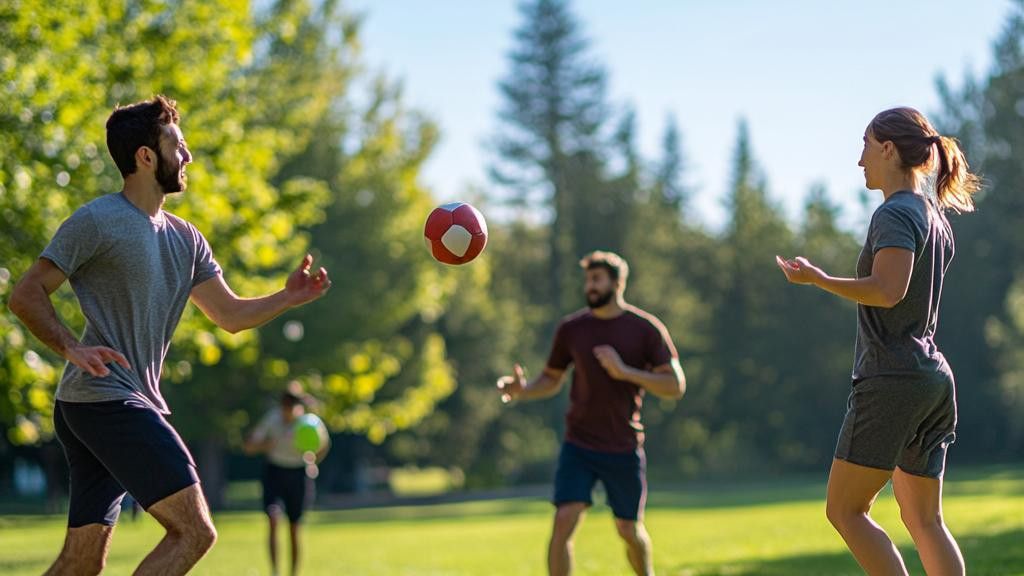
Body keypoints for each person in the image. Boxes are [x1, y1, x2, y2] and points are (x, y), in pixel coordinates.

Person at [8, 95, 332, 575]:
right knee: (195, 531)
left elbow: (230, 314)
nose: (187, 157)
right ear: (145, 156)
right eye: (177, 146)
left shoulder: (186, 238)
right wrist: (71, 347)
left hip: (104, 404)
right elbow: (26, 294)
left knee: (81, 563)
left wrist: (287, 297)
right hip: (106, 401)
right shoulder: (97, 220)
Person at [776, 106, 981, 576]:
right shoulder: (933, 216)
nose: (860, 160)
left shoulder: (894, 214)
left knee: (845, 510)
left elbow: (889, 290)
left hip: (892, 379)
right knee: (924, 519)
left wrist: (819, 279)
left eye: (865, 146)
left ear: (888, 149)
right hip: (931, 381)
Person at [497, 251, 685, 576]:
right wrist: (522, 390)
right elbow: (552, 378)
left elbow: (675, 385)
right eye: (587, 280)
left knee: (629, 530)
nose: (590, 286)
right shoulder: (572, 329)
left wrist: (626, 372)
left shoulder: (644, 329)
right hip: (579, 444)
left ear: (618, 283)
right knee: (564, 519)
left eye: (597, 279)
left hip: (623, 445)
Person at [244, 383, 331, 576]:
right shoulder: (272, 420)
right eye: (284, 409)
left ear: (297, 408)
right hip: (274, 472)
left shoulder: (309, 423)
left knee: (294, 527)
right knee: (273, 519)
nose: (287, 413)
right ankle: (275, 571)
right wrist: (265, 445)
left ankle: (293, 573)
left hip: (298, 474)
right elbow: (249, 446)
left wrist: (314, 460)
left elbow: (324, 445)